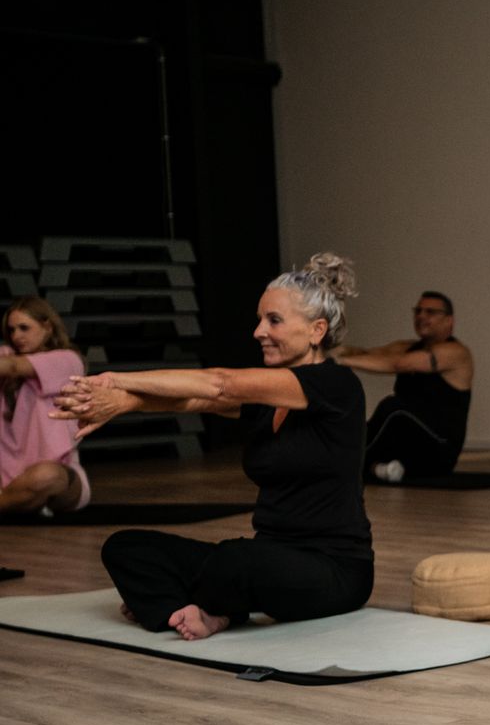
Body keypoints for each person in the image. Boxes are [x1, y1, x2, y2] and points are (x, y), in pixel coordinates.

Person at [53, 254, 375, 641]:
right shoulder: (269, 397)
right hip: (270, 557)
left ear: (316, 330)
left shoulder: (336, 386)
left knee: (237, 561)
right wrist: (124, 403)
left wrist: (115, 381)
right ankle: (199, 609)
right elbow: (196, 401)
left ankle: (200, 604)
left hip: (334, 570)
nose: (259, 331)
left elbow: (218, 383)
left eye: (274, 320)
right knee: (125, 548)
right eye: (259, 319)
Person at [334, 291, 473, 483]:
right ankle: (376, 469)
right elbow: (367, 353)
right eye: (418, 311)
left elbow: (399, 364)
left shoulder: (456, 352)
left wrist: (339, 361)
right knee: (376, 418)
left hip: (440, 448)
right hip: (409, 446)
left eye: (430, 312)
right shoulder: (407, 347)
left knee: (395, 408)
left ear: (449, 320)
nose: (421, 316)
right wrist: (329, 350)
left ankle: (339, 464)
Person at [0, 297, 90, 516]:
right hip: (6, 474)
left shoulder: (67, 359)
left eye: (24, 328)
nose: (16, 336)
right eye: (12, 330)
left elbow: (13, 367)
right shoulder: (7, 357)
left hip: (54, 472)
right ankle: (15, 500)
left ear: (47, 327)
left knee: (46, 476)